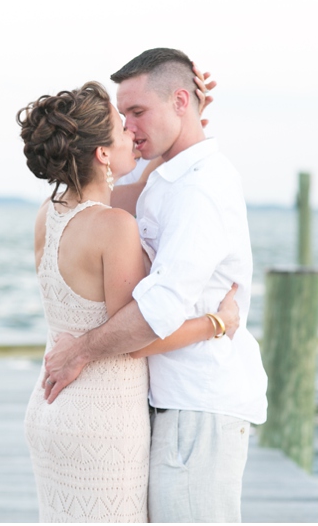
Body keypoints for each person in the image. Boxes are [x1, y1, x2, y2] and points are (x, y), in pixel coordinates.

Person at [42, 48, 268, 523]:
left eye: (139, 112)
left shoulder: (198, 189)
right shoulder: (163, 180)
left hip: (196, 405)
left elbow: (156, 312)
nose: (130, 127)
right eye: (123, 116)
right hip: (163, 404)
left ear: (181, 101)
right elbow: (100, 198)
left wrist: (80, 349)